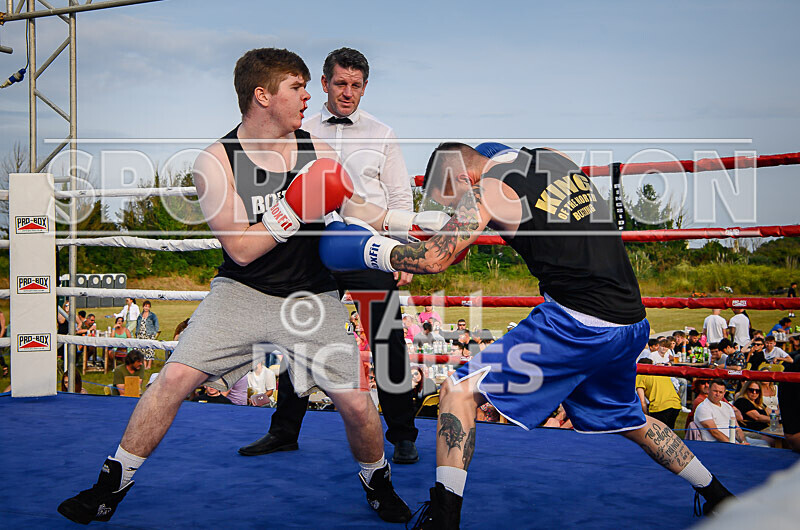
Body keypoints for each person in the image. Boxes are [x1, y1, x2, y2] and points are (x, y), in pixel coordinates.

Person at [57, 48, 410, 526]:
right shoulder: (215, 161)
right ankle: (110, 484)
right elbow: (241, 248)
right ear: (262, 96)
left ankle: (378, 481)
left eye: (308, 86)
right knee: (172, 381)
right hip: (240, 292)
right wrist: (292, 207)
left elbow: (359, 212)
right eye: (296, 88)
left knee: (357, 402)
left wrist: (414, 226)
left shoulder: (317, 152)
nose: (309, 97)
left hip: (311, 296)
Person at [319, 142, 734, 525]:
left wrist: (366, 248)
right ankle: (717, 493)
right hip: (630, 321)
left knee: (457, 392)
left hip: (578, 322)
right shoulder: (553, 157)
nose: (460, 207)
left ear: (463, 179)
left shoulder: (489, 190)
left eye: (455, 198)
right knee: (632, 420)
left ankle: (443, 519)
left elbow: (432, 260)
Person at [238, 47, 419, 465]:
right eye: (340, 83)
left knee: (387, 339)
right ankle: (284, 431)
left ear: (365, 88)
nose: (348, 92)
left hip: (367, 248)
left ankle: (403, 435)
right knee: (298, 336)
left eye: (356, 85)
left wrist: (402, 253)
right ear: (324, 84)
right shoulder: (298, 127)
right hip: (312, 248)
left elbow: (398, 196)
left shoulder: (383, 133)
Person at [694, 379, 747, 444]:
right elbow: (715, 432)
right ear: (709, 390)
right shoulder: (703, 408)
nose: (717, 394)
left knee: (761, 444)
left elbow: (737, 428)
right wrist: (734, 444)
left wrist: (743, 441)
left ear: (724, 393)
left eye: (720, 392)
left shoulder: (727, 406)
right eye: (715, 391)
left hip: (733, 443)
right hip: (716, 445)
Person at [635, 358, 682, 429]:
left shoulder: (640, 377)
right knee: (669, 432)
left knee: (658, 434)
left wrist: (646, 417)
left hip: (659, 407)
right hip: (675, 404)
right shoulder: (660, 373)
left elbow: (642, 401)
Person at [136, 301, 160, 370]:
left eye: (148, 306)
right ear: (143, 306)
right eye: (145, 306)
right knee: (142, 349)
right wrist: (137, 333)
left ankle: (149, 365)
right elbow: (137, 324)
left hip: (149, 334)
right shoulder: (140, 316)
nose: (146, 308)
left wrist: (154, 333)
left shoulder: (152, 315)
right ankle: (144, 364)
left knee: (150, 349)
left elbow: (156, 325)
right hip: (141, 334)